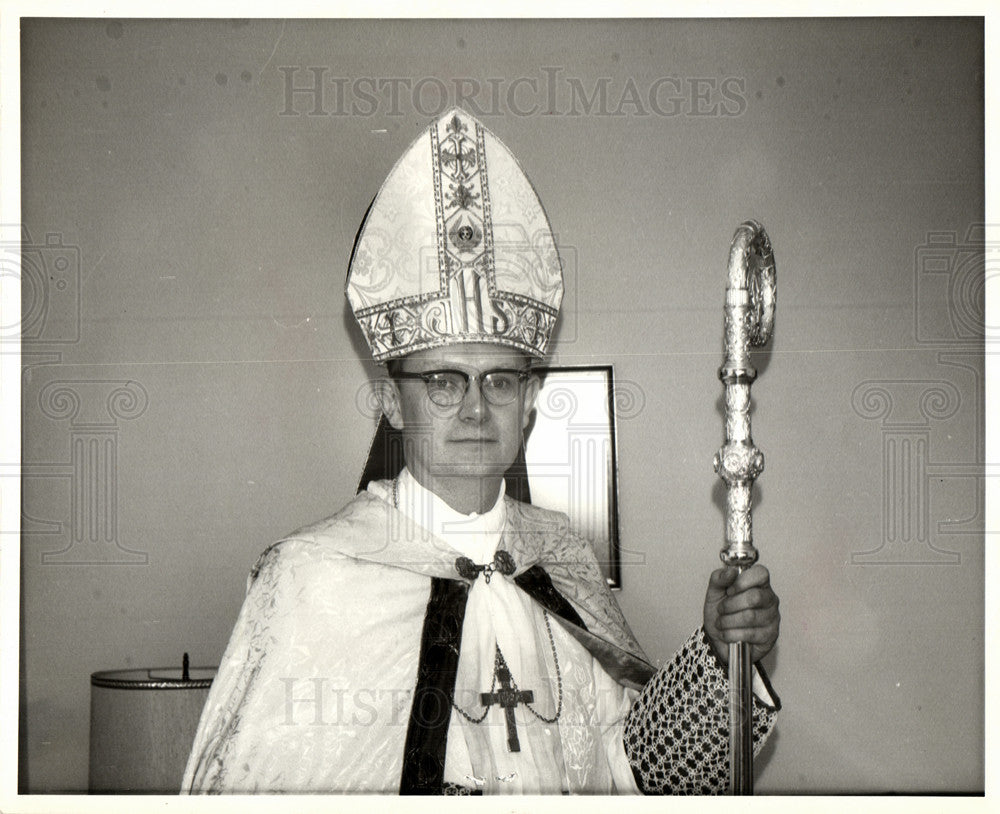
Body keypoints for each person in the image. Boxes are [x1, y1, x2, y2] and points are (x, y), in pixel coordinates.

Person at [182, 108, 780, 795]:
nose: (474, 407)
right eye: (442, 381)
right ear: (389, 399)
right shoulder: (313, 578)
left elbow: (635, 774)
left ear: (529, 402)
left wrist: (724, 657)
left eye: (499, 380)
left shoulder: (561, 558)